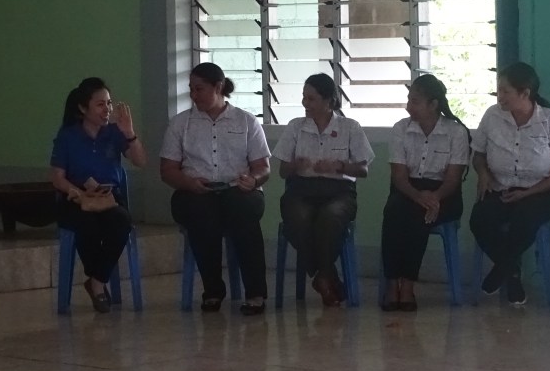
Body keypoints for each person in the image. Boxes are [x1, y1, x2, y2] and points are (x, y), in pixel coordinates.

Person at [160, 62, 271, 315]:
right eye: (191, 89)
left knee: (244, 212)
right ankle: (212, 290)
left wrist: (253, 180)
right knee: (201, 214)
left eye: (199, 89)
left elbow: (263, 167)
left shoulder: (246, 121)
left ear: (218, 87)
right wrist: (189, 183)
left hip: (238, 190)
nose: (193, 95)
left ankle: (255, 293)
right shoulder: (180, 124)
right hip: (195, 191)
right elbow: (167, 170)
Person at [469, 62, 550, 307]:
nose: (500, 96)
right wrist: (483, 173)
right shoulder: (492, 116)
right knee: (480, 219)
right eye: (499, 90)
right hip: (501, 188)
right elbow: (478, 154)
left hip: (541, 192)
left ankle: (502, 270)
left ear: (525, 93)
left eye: (505, 91)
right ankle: (511, 271)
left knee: (524, 220)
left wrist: (528, 193)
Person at [273, 73, 374, 307]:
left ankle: (323, 276)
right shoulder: (296, 127)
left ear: (329, 101)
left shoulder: (350, 127)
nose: (305, 103)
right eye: (304, 98)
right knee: (298, 218)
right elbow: (282, 172)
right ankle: (327, 276)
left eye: (311, 99)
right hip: (301, 189)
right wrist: (295, 165)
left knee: (330, 218)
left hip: (339, 191)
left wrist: (339, 166)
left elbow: (363, 170)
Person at [50, 77, 147, 313]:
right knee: (87, 226)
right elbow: (57, 178)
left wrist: (130, 133)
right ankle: (99, 281)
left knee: (121, 222)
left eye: (109, 103)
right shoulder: (67, 136)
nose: (107, 110)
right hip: (76, 199)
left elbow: (140, 161)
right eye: (100, 104)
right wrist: (78, 193)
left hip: (109, 198)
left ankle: (96, 281)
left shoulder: (114, 133)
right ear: (83, 108)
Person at [380, 74, 470, 312]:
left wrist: (434, 198)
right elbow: (399, 177)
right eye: (409, 100)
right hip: (408, 190)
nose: (409, 107)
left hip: (445, 195)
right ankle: (392, 283)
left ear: (433, 104)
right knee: (393, 211)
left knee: (418, 215)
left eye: (415, 101)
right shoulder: (400, 129)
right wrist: (419, 196)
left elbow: (453, 179)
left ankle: (407, 285)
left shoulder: (456, 132)